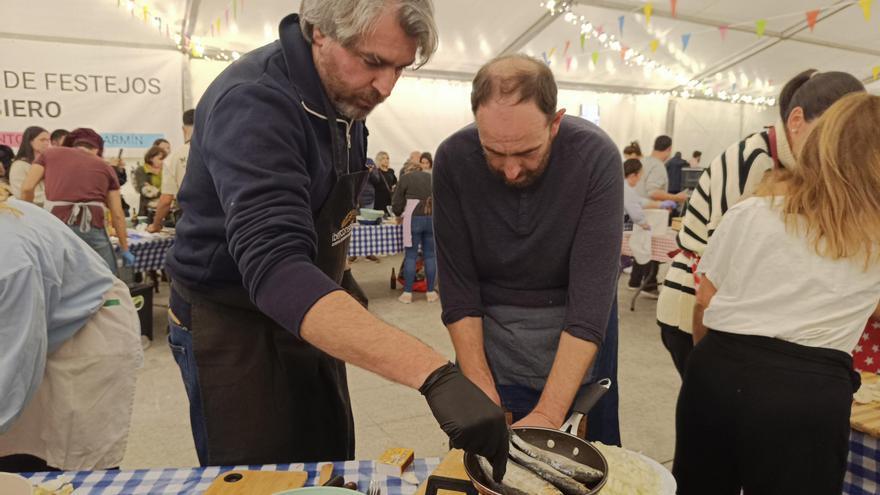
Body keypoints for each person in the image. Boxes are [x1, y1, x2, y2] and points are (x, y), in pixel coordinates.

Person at [163, 0, 508, 476]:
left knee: (327, 462)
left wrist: (340, 281)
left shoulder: (343, 95)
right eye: (373, 62)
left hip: (313, 307)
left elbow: (321, 210)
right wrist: (433, 373)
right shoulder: (254, 102)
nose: (386, 86)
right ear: (319, 32)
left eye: (400, 68)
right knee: (262, 477)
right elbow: (276, 267)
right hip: (234, 319)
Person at [674, 93, 880, 495]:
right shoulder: (873, 238)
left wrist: (717, 365)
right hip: (805, 394)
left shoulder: (753, 211)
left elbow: (705, 300)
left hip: (716, 370)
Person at [433, 54, 623, 444]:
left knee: (581, 462)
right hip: (488, 334)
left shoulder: (595, 157)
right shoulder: (452, 158)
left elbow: (590, 301)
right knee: (482, 458)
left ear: (555, 123)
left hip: (575, 330)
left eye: (526, 152)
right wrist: (482, 394)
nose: (511, 170)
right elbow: (458, 288)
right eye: (494, 152)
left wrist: (550, 414)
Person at [657, 69, 866, 377]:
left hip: (738, 324)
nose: (836, 150)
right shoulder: (754, 160)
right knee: (715, 411)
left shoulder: (789, 161)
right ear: (796, 121)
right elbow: (726, 270)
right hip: (697, 313)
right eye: (829, 134)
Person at [0, 185, 143, 473]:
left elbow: (14, 362)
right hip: (38, 327)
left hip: (86, 334)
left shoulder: (9, 261)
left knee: (69, 469)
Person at [20, 128, 135, 275]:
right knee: (106, 281)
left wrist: (28, 222)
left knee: (60, 279)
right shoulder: (105, 166)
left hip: (56, 227)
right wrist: (125, 249)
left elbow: (27, 188)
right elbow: (117, 213)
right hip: (92, 229)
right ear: (97, 148)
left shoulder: (49, 154)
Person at [628, 135, 687, 296]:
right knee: (653, 247)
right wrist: (676, 198)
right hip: (652, 214)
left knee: (642, 246)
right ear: (669, 149)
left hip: (639, 212)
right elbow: (653, 192)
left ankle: (635, 281)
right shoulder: (658, 166)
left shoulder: (643, 162)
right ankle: (649, 284)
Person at [392, 154, 435, 303]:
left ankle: (408, 294)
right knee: (430, 256)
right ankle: (430, 292)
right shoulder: (431, 177)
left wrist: (398, 214)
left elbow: (396, 203)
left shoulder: (405, 178)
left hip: (413, 219)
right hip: (431, 217)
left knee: (410, 255)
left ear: (408, 169)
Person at [148, 109, 195, 233]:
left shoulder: (174, 157)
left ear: (183, 129)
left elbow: (166, 199)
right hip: (221, 218)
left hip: (190, 219)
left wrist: (156, 225)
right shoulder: (217, 152)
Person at [623, 158, 676, 228]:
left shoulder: (626, 186)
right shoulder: (625, 188)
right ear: (633, 175)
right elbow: (634, 210)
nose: (640, 179)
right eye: (640, 176)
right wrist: (644, 224)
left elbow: (640, 201)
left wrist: (661, 205)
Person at [9, 126, 50, 205]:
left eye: (48, 140)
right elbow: (20, 193)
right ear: (30, 142)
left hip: (49, 208)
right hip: (30, 210)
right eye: (42, 140)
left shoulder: (48, 163)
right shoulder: (19, 165)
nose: (46, 143)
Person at [134, 145, 165, 219]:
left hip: (164, 210)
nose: (163, 161)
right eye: (160, 159)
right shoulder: (141, 169)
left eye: (164, 159)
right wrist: (164, 194)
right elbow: (146, 191)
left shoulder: (165, 170)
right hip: (148, 212)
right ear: (151, 158)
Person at [371, 150, 397, 214]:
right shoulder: (376, 172)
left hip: (389, 199)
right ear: (379, 160)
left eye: (387, 158)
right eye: (383, 158)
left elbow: (395, 183)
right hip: (378, 199)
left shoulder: (391, 171)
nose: (386, 160)